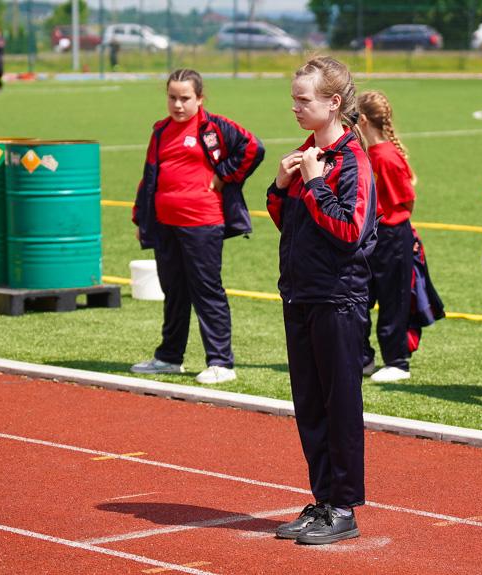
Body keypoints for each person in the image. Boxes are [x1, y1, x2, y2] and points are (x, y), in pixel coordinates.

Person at [267, 56, 377, 545]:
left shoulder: (353, 161)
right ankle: (323, 500)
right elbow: (288, 225)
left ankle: (344, 507)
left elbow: (349, 233)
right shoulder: (303, 152)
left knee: (340, 407)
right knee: (309, 406)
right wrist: (280, 186)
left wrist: (312, 184)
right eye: (293, 98)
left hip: (338, 300)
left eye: (304, 99)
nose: (295, 106)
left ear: (333, 103)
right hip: (300, 295)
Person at [131, 69, 264, 385]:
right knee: (173, 293)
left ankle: (221, 362)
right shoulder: (160, 130)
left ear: (200, 98)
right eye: (172, 98)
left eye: (185, 98)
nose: (178, 105)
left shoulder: (214, 127)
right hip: (165, 224)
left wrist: (224, 175)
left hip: (203, 223)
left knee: (206, 291)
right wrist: (141, 217)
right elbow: (149, 175)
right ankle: (168, 358)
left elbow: (253, 148)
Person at [357, 90, 418, 383]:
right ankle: (364, 358)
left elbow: (406, 201)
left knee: (393, 299)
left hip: (392, 235)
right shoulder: (370, 153)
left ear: (363, 119)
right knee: (362, 297)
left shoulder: (386, 157)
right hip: (372, 235)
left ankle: (397, 361)